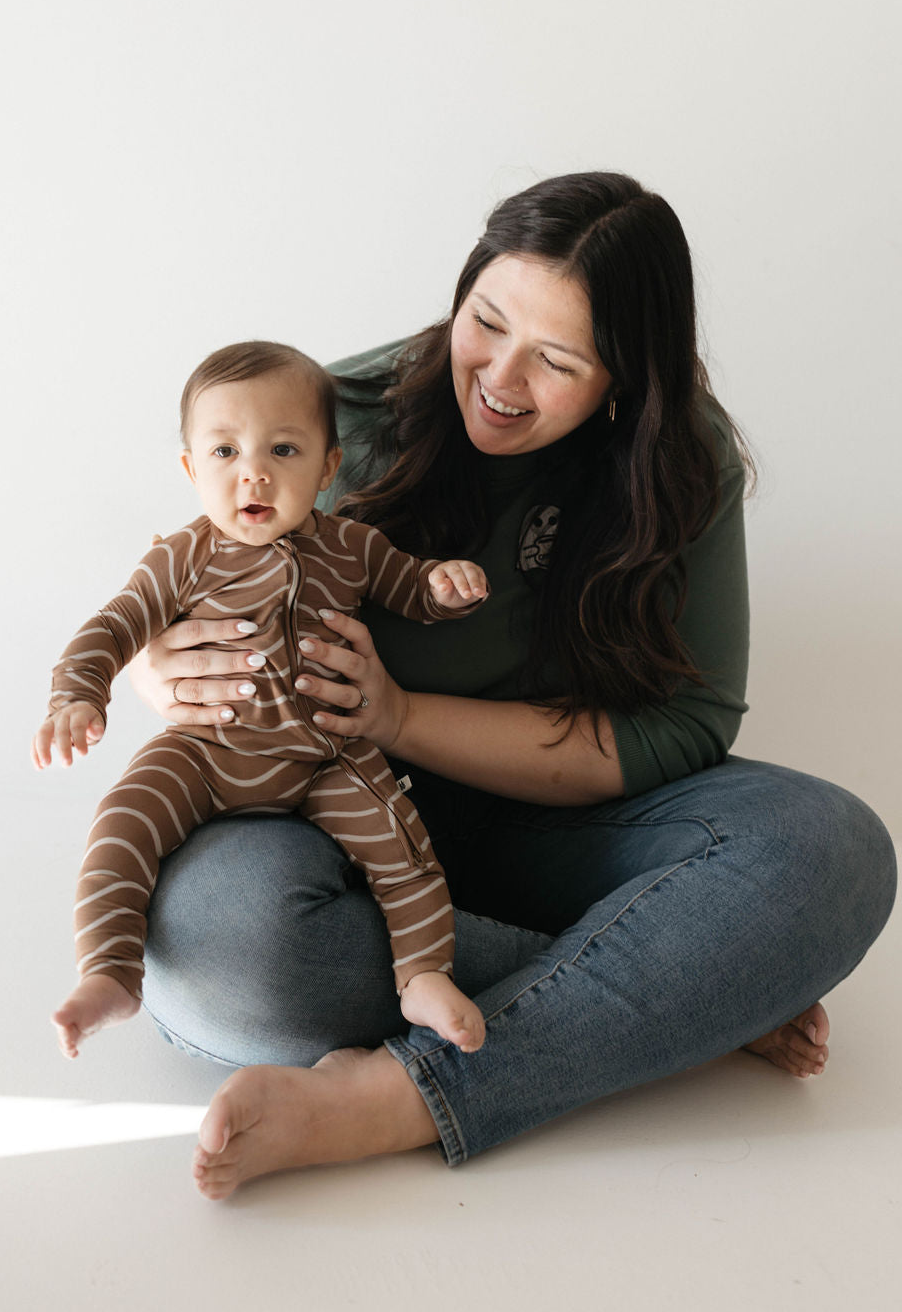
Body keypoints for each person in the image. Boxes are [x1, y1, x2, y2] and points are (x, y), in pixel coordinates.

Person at [127, 173, 896, 1201]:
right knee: (225, 947)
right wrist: (151, 664)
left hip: (548, 824)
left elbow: (689, 725)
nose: (498, 375)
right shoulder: (335, 414)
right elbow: (176, 574)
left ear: (626, 378)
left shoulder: (681, 459)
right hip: (329, 824)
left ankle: (398, 1099)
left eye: (559, 360)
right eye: (483, 321)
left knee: (826, 849)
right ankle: (679, 992)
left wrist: (402, 713)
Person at [32, 341, 490, 1061]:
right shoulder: (182, 555)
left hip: (326, 756)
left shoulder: (351, 545)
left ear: (328, 467)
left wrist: (444, 588)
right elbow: (114, 625)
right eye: (223, 451)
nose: (254, 471)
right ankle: (112, 972)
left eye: (283, 448)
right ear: (190, 468)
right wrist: (77, 694)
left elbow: (411, 588)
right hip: (207, 751)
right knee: (124, 819)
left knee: (403, 846)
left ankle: (423, 975)